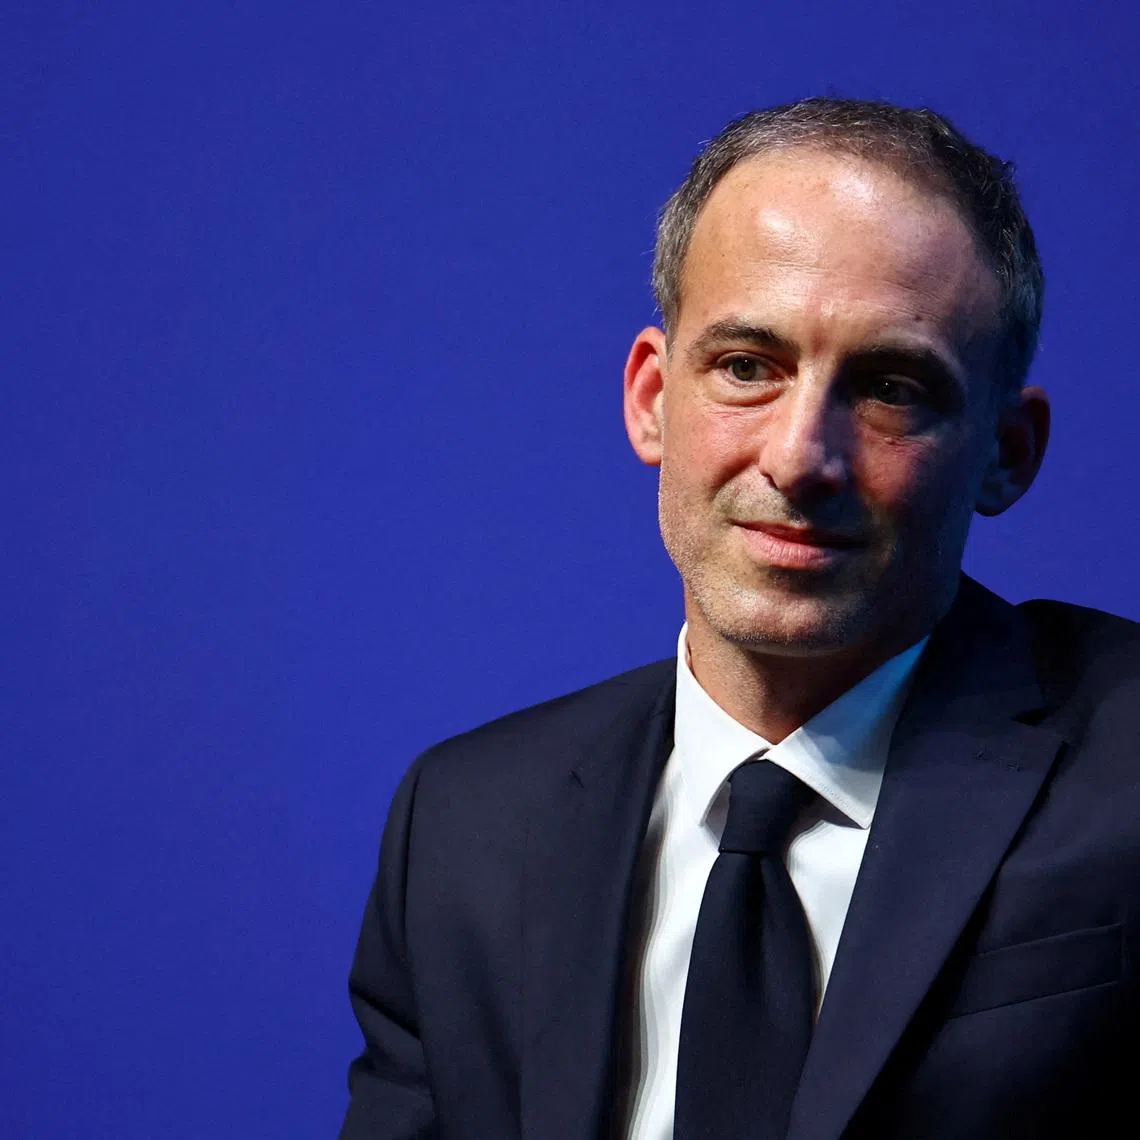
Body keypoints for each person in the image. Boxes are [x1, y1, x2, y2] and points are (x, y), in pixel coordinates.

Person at [339, 98, 1140, 1140]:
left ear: (1006, 453)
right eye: (748, 367)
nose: (801, 456)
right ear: (650, 399)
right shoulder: (461, 827)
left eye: (893, 387)